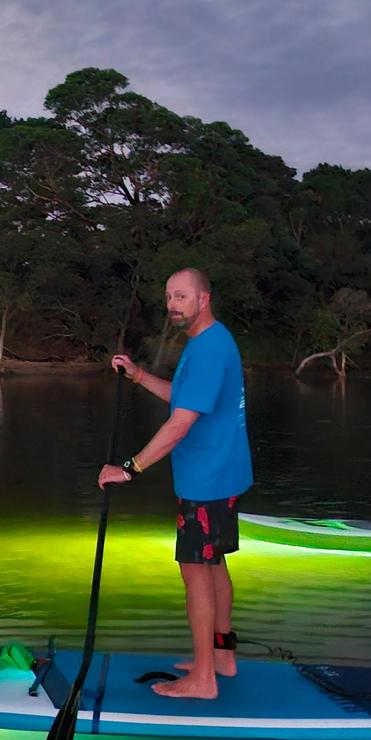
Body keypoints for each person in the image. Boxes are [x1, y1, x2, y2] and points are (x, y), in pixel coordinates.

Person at [98, 268, 252, 700]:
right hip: (222, 473)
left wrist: (129, 467)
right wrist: (139, 375)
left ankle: (203, 680)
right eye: (168, 297)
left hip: (206, 479)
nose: (172, 305)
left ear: (204, 298)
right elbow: (184, 400)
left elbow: (181, 425)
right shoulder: (207, 342)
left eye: (181, 296)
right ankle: (221, 657)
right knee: (215, 563)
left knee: (195, 574)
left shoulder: (208, 350)